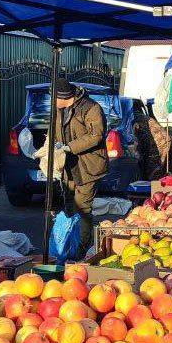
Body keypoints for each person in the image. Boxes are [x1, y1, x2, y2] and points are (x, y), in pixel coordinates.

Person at [54, 78, 108, 256]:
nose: (53, 102)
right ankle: (70, 243)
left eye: (55, 98)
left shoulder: (91, 108)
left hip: (88, 165)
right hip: (69, 167)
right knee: (69, 206)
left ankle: (82, 249)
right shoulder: (60, 109)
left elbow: (96, 135)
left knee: (82, 208)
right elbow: (54, 131)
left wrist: (70, 147)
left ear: (64, 97)